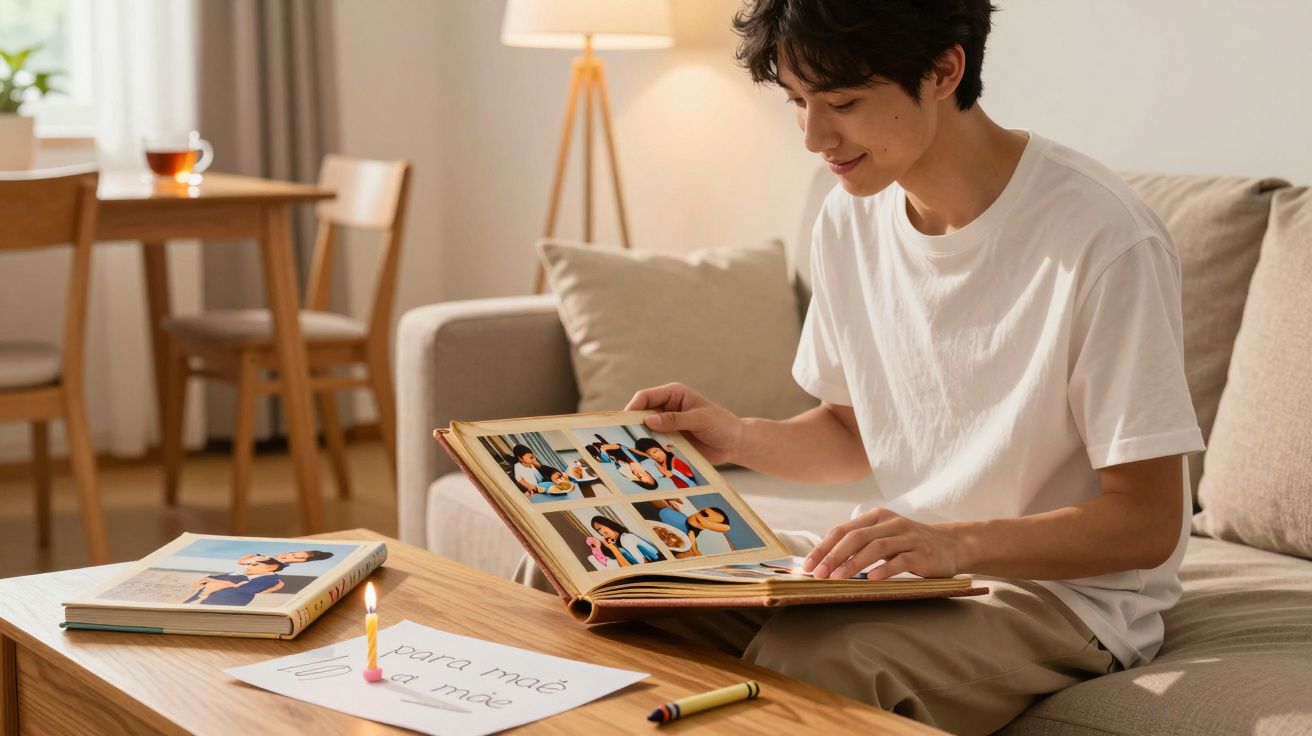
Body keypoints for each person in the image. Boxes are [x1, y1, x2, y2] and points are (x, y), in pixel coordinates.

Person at [520, 3, 1205, 732]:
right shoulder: (852, 217)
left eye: (843, 103)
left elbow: (1147, 522)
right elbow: (851, 433)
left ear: (945, 70)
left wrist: (954, 543)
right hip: (900, 572)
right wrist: (738, 437)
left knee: (820, 664)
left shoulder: (1101, 238)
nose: (815, 137)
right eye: (798, 102)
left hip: (1056, 596)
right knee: (592, 579)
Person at [185, 559, 288, 606]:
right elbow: (210, 578)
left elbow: (246, 590)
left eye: (254, 565)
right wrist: (204, 581)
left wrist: (224, 584)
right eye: (249, 564)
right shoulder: (242, 575)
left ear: (272, 567)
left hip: (222, 603)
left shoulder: (271, 579)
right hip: (196, 602)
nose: (248, 567)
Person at [589, 516, 663, 565]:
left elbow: (644, 564)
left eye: (599, 529)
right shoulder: (617, 543)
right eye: (598, 531)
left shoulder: (626, 538)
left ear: (607, 524)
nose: (600, 533)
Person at [634, 437, 699, 488]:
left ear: (661, 448)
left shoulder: (675, 462)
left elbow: (690, 479)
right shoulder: (660, 465)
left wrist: (672, 474)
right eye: (650, 456)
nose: (654, 457)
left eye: (655, 452)